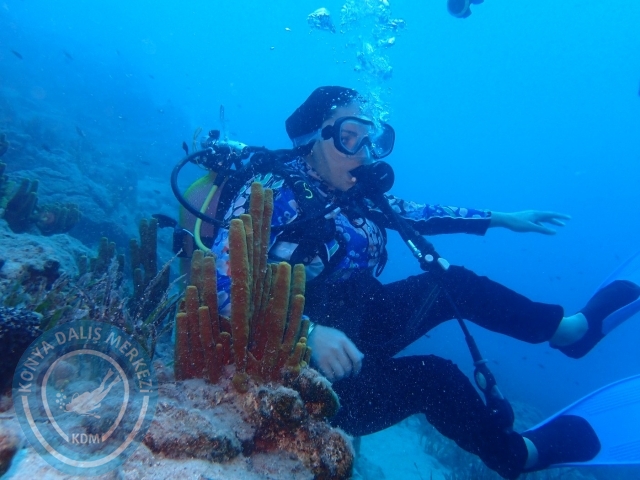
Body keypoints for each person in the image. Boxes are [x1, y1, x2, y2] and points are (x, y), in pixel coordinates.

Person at [179, 86, 640, 479]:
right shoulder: (271, 192)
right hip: (306, 375)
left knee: (452, 282)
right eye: (348, 137)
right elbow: (220, 287)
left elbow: (419, 213)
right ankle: (518, 454)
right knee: (433, 377)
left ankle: (570, 332)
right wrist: (308, 333)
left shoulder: (353, 190)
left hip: (359, 327)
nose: (363, 152)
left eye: (370, 138)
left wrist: (500, 218)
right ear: (312, 140)